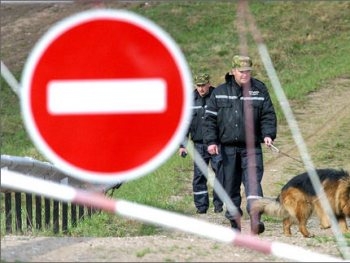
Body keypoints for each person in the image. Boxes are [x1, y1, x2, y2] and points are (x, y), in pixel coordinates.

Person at [203, 55, 277, 234]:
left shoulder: (259, 90)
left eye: (248, 72)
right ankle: (234, 222)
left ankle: (255, 219)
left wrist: (268, 135)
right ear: (233, 71)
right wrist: (211, 141)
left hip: (252, 148)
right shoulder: (219, 92)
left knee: (253, 184)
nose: (245, 75)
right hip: (227, 149)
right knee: (231, 185)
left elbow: (268, 114)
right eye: (241, 71)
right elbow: (210, 120)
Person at [179, 72, 224, 214]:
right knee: (199, 176)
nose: (201, 89)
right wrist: (182, 145)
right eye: (198, 86)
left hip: (216, 144)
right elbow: (185, 124)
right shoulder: (190, 100)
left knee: (220, 174)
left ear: (209, 84)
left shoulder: (217, 97)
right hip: (198, 144)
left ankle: (218, 205)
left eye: (203, 86)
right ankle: (201, 207)